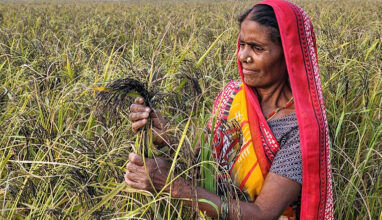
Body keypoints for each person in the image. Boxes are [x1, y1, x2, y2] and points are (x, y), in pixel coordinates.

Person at [124, 0, 334, 219]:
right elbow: (201, 165)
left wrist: (175, 187)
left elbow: (262, 214)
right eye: (242, 44)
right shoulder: (232, 94)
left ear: (290, 55)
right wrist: (165, 139)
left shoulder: (302, 131)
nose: (243, 56)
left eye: (257, 48)